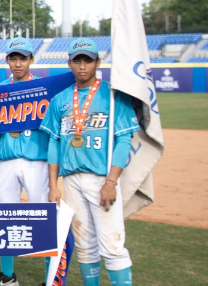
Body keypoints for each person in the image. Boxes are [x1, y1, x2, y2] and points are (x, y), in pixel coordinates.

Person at [40, 38, 137, 286]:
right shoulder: (60, 100)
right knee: (84, 245)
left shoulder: (113, 96)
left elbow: (123, 140)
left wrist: (111, 182)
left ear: (97, 63)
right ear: (69, 64)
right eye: (77, 61)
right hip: (72, 180)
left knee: (113, 246)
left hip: (101, 178)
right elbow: (54, 142)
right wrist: (53, 185)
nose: (82, 66)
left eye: (88, 61)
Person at [0, 37, 50, 286]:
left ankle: (51, 277)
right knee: (6, 217)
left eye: (22, 58)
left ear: (31, 59)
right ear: (7, 60)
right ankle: (8, 275)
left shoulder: (44, 88)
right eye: (13, 58)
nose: (18, 63)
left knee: (44, 217)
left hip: (37, 160)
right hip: (7, 160)